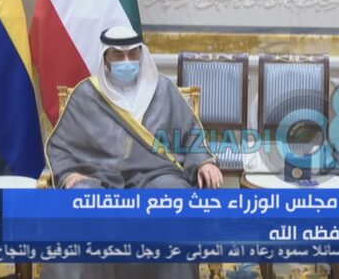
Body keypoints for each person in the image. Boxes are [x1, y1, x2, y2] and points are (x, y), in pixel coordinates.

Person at [42, 26, 222, 279]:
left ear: (141, 53)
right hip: (100, 177)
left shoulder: (163, 89)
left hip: (156, 175)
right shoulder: (86, 95)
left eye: (132, 53)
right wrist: (69, 174)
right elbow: (61, 147)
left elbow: (190, 136)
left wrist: (204, 162)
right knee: (81, 199)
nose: (126, 60)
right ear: (105, 58)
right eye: (118, 54)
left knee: (172, 196)